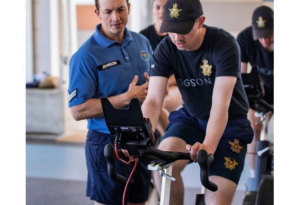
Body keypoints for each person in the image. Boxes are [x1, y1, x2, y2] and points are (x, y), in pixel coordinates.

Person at [141, 0, 254, 204]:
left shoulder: (224, 44)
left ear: (200, 21)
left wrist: (209, 146)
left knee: (216, 200)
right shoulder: (167, 47)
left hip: (230, 124)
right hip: (191, 119)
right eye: (171, 30)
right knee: (161, 167)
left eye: (183, 29)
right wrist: (138, 134)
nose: (176, 38)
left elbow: (220, 104)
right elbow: (154, 99)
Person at [67, 0, 154, 204]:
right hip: (107, 142)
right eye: (108, 11)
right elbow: (78, 111)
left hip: (140, 140)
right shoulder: (85, 55)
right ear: (98, 12)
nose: (115, 17)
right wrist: (126, 98)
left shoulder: (142, 42)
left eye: (120, 9)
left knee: (139, 200)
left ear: (129, 8)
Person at [236, 5, 274, 179]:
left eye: (269, 36)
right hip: (260, 92)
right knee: (252, 128)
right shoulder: (244, 39)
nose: (265, 41)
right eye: (261, 37)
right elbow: (241, 77)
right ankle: (254, 179)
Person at [140, 0, 182, 137]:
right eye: (157, 7)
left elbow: (185, 69)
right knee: (147, 103)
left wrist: (166, 83)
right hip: (151, 85)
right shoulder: (143, 37)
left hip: (174, 86)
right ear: (153, 9)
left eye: (165, 8)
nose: (161, 11)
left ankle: (168, 142)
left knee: (158, 105)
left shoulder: (178, 36)